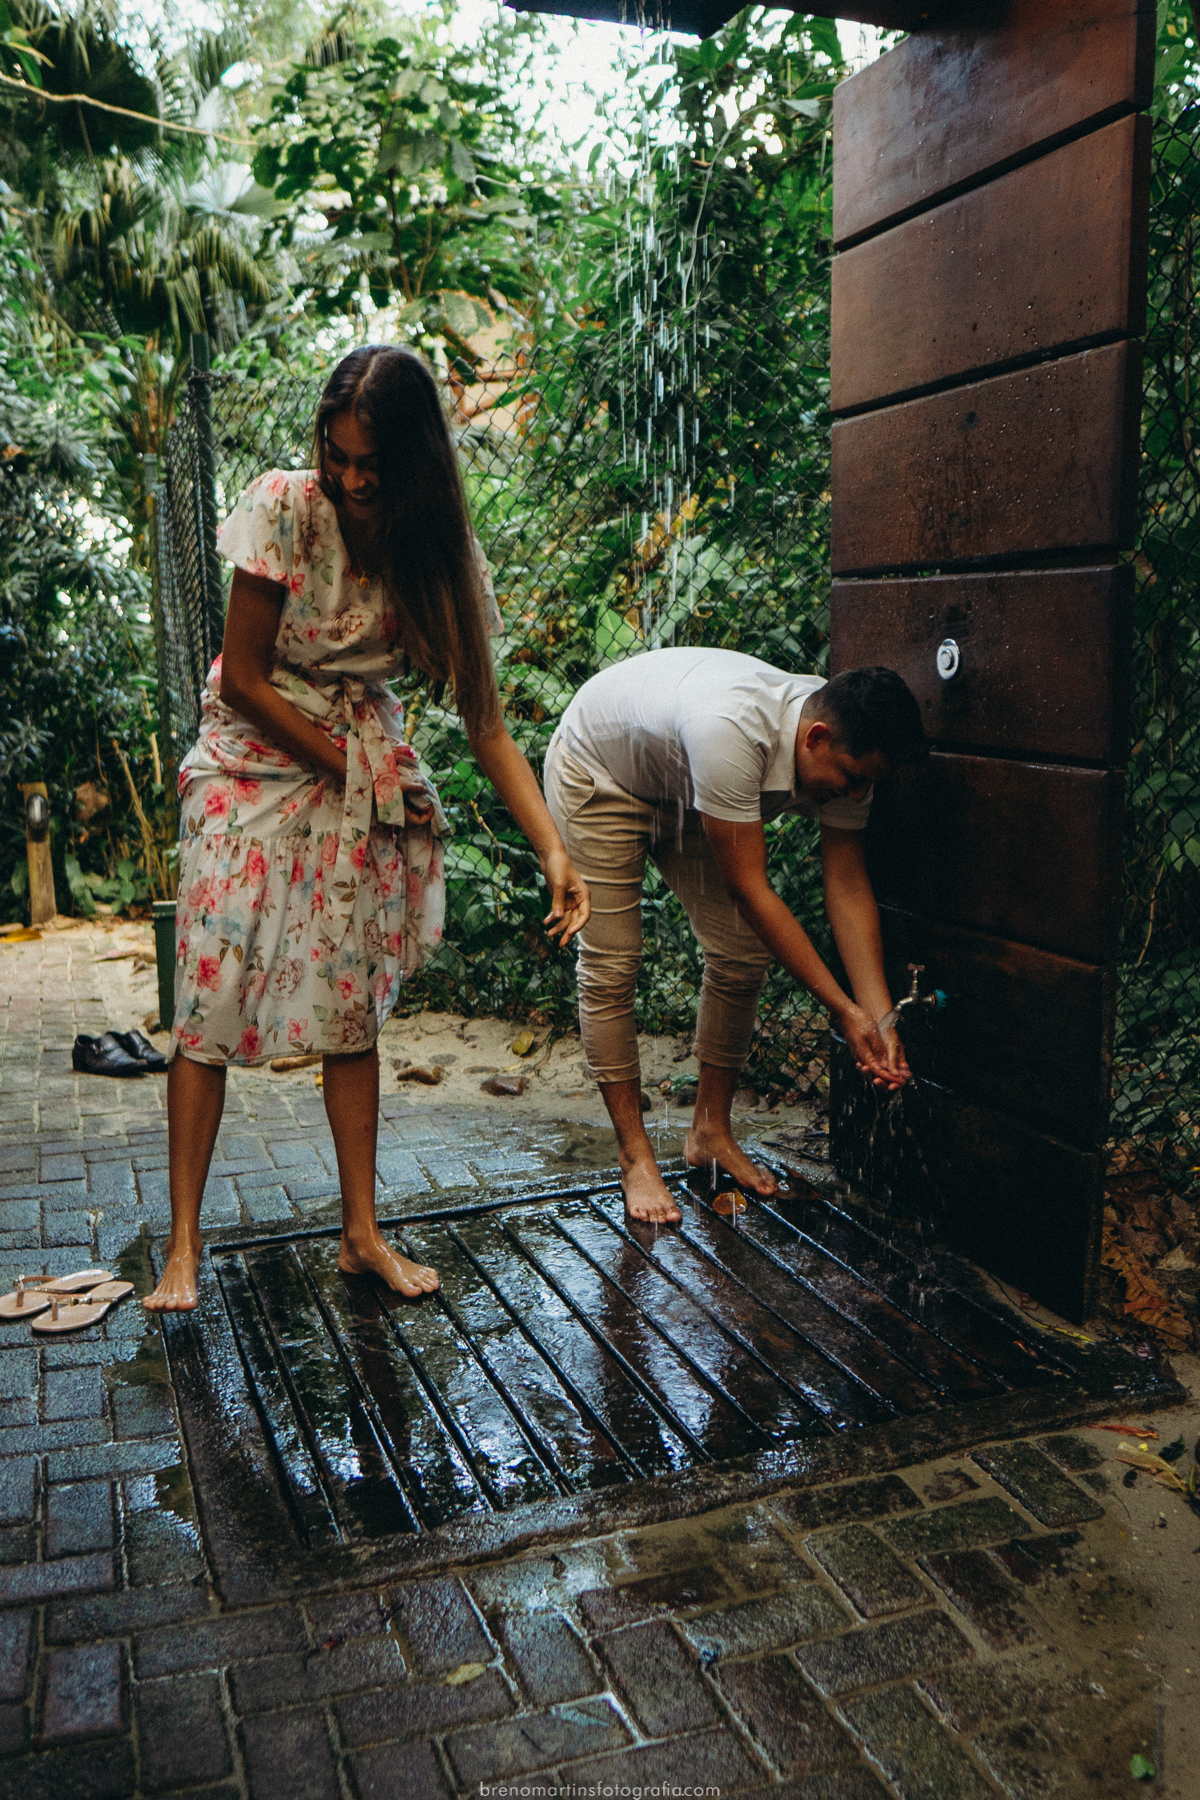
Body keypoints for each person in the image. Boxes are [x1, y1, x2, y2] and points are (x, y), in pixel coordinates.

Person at [144, 345, 589, 1313]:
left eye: (369, 470)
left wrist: (554, 846)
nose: (347, 480)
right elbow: (248, 681)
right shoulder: (285, 508)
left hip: (358, 766)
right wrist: (351, 768)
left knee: (351, 1006)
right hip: (253, 755)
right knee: (207, 993)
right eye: (336, 456)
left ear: (414, 471)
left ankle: (361, 1234)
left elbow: (486, 722)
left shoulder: (441, 555)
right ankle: (182, 1244)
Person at [543, 649, 926, 1225]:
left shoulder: (848, 748)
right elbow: (750, 890)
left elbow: (846, 885)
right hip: (598, 773)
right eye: (850, 778)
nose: (855, 794)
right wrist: (842, 1008)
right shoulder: (731, 731)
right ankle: (635, 1156)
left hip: (685, 783)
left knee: (742, 953)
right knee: (613, 964)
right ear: (815, 737)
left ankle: (710, 1132)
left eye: (865, 784)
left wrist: (879, 1019)